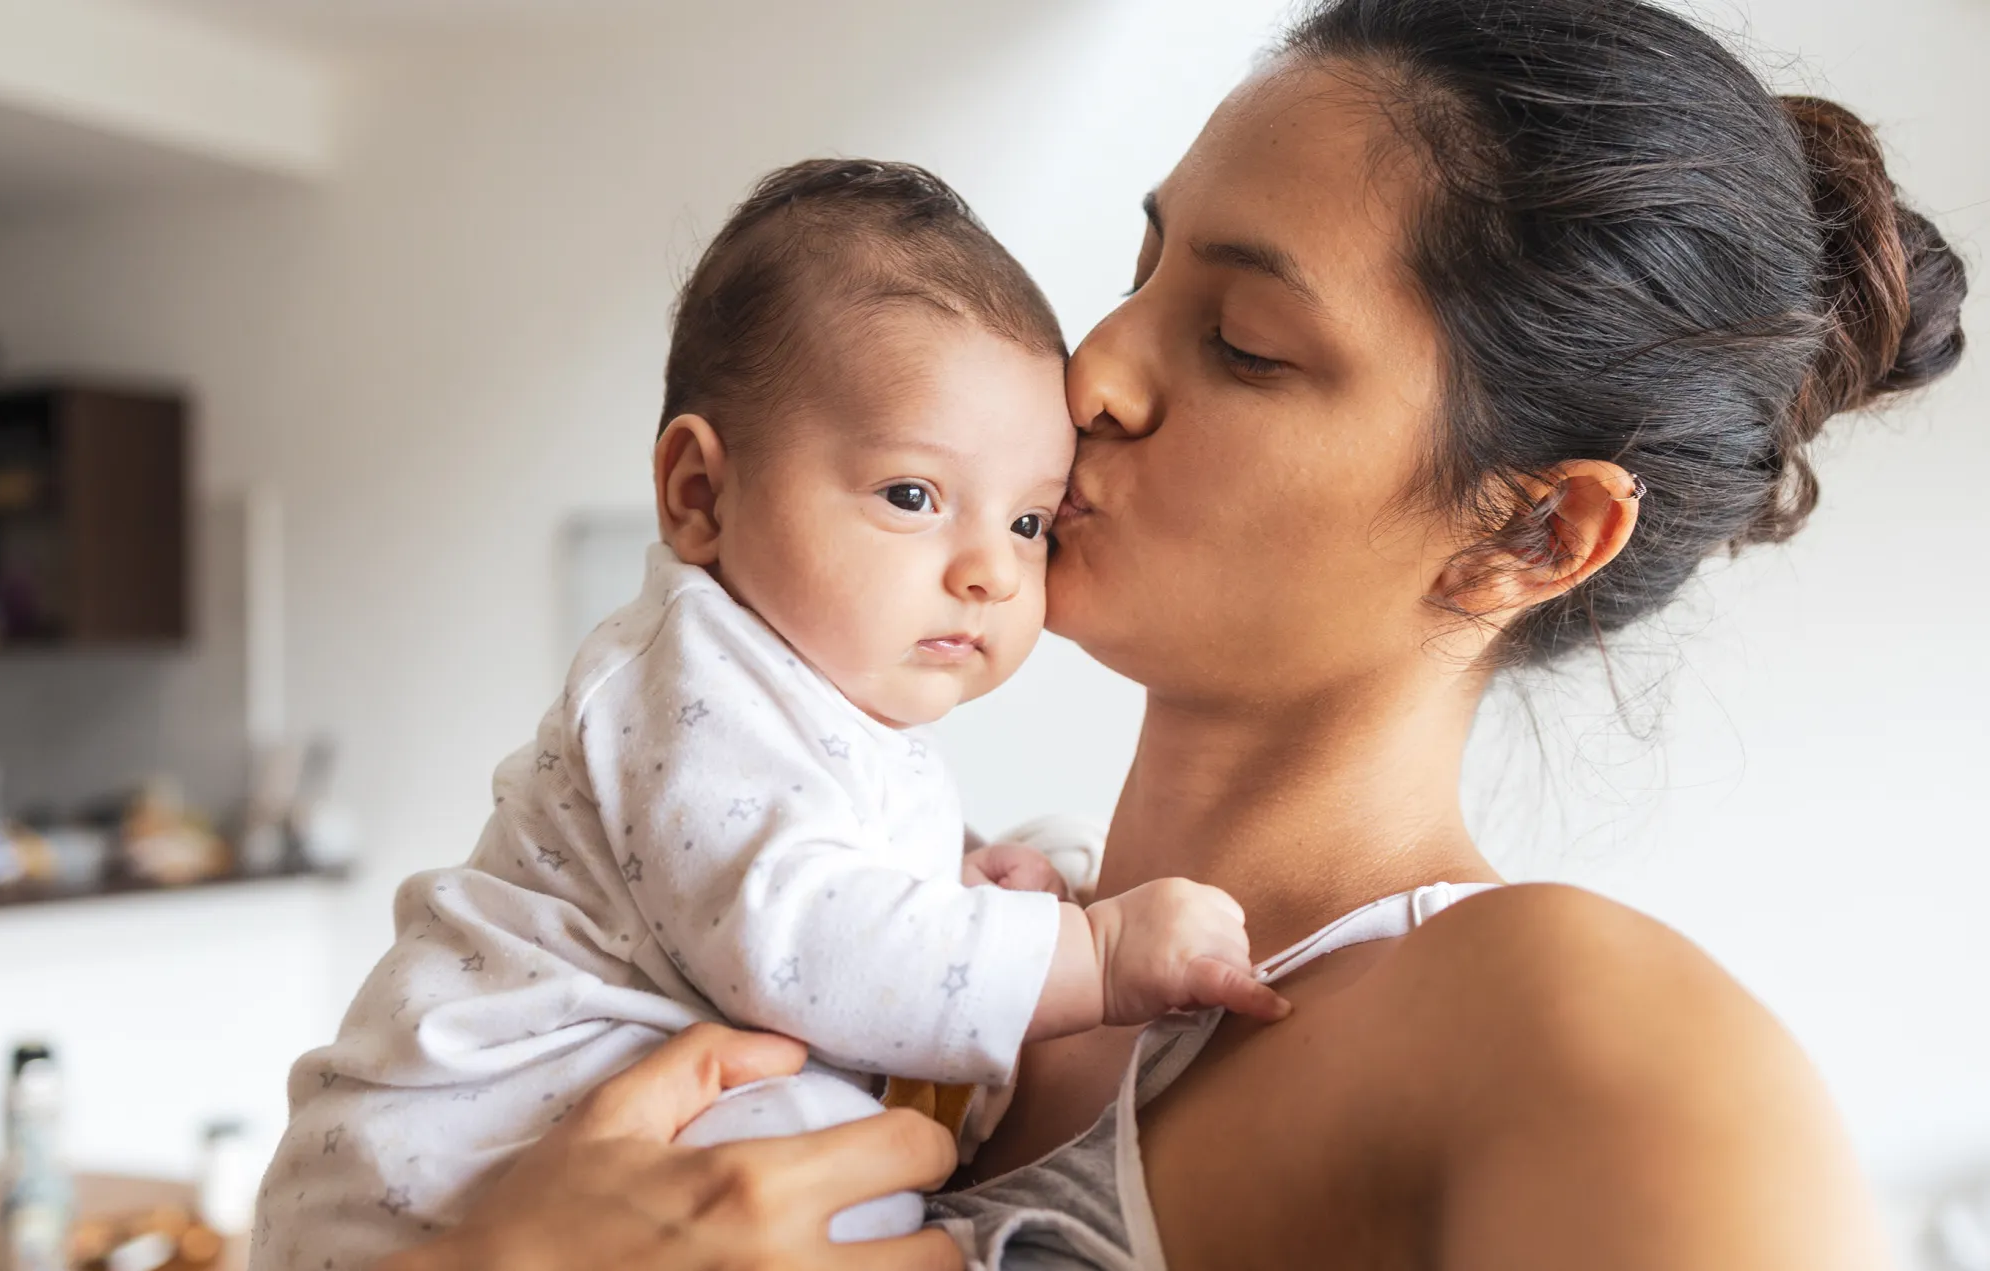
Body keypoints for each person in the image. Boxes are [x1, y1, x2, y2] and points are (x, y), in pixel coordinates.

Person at [376, 0, 1971, 1267]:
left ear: (1531, 530)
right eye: (1138, 272)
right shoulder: (921, 915)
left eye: (1243, 342)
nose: (1091, 374)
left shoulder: (1567, 1036)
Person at [254, 159, 1285, 1271]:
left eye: (1030, 520)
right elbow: (802, 937)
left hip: (556, 1170)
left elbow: (816, 880)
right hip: (440, 1172)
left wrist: (972, 871)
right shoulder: (690, 677)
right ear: (700, 493)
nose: (991, 569)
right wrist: (1094, 946)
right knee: (834, 1158)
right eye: (911, 496)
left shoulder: (817, 703)